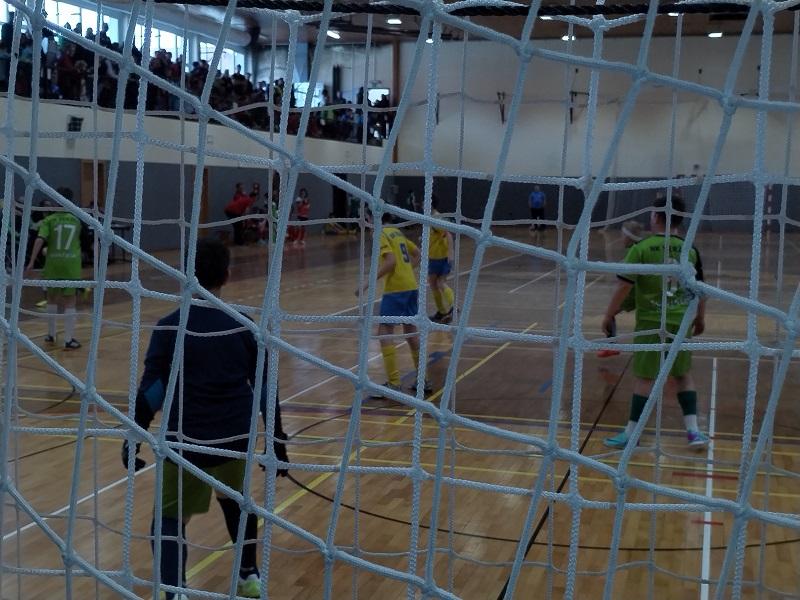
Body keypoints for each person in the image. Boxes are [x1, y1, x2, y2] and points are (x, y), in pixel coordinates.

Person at [121, 238, 289, 600]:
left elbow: (153, 392)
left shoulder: (170, 327)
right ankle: (249, 575)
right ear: (227, 276)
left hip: (186, 441)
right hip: (233, 438)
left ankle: (175, 591)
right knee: (236, 502)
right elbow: (264, 387)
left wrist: (133, 436)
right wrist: (276, 438)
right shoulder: (243, 326)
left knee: (169, 519)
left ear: (185, 275)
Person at [602, 194, 708, 449]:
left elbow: (624, 287)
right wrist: (700, 317)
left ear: (655, 216)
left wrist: (608, 314)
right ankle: (694, 432)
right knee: (683, 375)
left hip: (651, 323)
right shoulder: (689, 249)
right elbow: (700, 289)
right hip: (680, 322)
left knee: (645, 378)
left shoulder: (641, 249)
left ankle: (631, 433)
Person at [356, 210, 430, 396]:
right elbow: (418, 254)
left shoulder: (380, 233)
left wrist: (368, 283)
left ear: (372, 218)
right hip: (411, 285)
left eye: (366, 218)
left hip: (396, 289)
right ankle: (423, 380)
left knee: (384, 331)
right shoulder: (396, 232)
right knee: (411, 331)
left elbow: (391, 261)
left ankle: (394, 383)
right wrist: (406, 270)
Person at [24, 188, 82, 350]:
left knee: (51, 298)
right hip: (71, 265)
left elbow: (39, 240)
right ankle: (68, 340)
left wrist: (31, 262)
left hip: (53, 265)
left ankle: (51, 334)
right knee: (70, 301)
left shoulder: (49, 220)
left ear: (56, 200)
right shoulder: (77, 220)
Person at [597, 220, 643, 358]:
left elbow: (625, 280)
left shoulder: (633, 251)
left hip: (632, 293)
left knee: (610, 313)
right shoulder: (642, 247)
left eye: (623, 235)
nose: (621, 238)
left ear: (628, 236)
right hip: (643, 292)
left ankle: (611, 346)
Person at [426, 195, 455, 324]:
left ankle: (450, 308)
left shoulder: (435, 218)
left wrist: (450, 252)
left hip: (438, 257)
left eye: (424, 202)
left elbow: (448, 233)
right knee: (436, 283)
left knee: (438, 283)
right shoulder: (433, 217)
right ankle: (443, 311)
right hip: (436, 256)